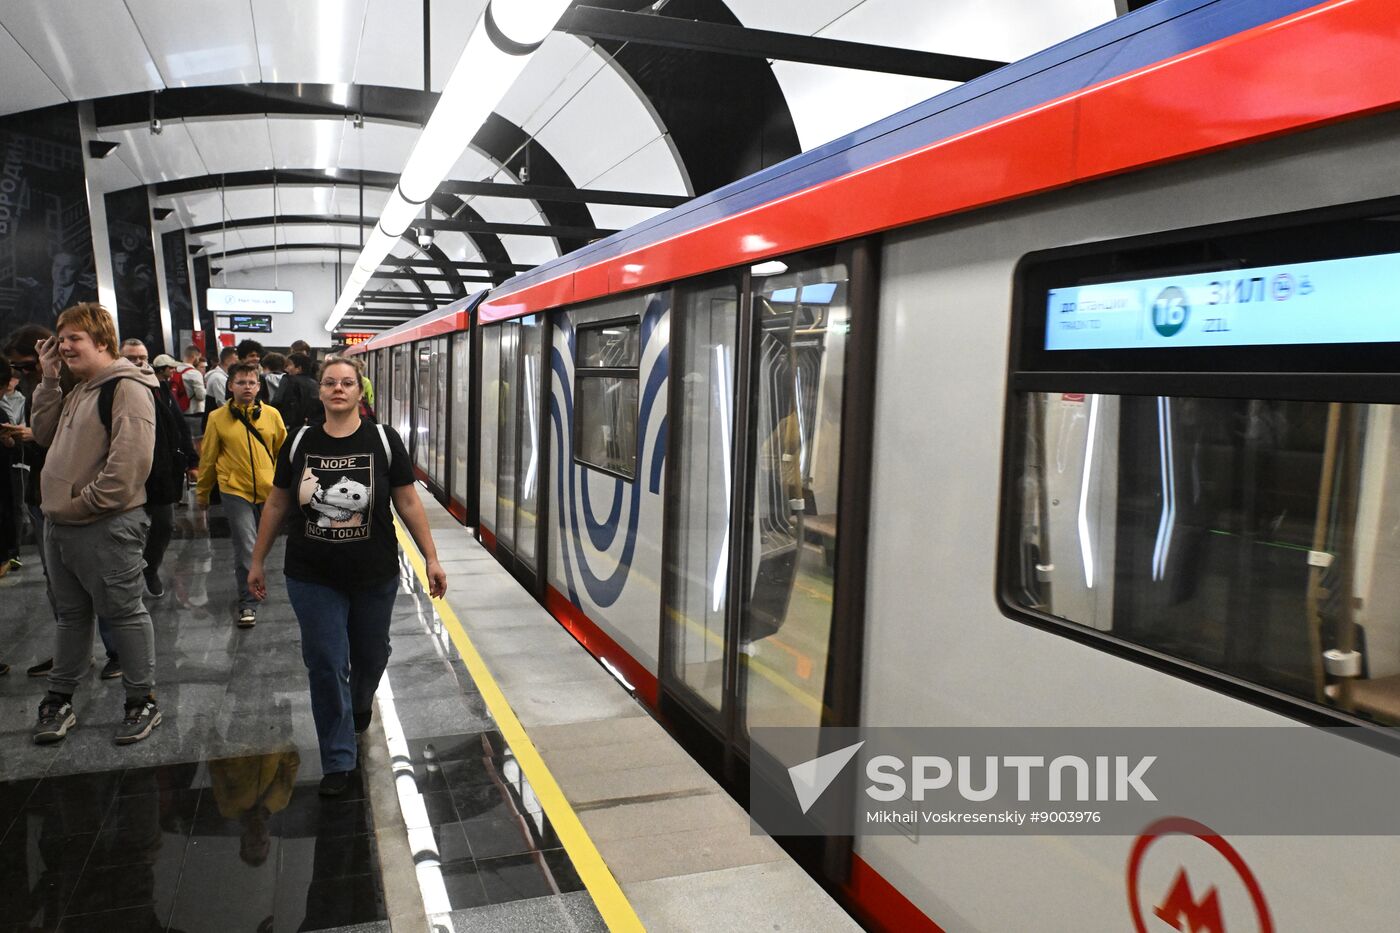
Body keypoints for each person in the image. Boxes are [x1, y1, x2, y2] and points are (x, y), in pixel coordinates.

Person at [247, 356, 446, 797]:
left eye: (347, 383)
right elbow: (278, 504)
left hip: (374, 573)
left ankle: (359, 704)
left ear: (360, 393)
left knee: (371, 654)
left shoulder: (383, 440)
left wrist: (431, 558)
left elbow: (408, 503)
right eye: (331, 382)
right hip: (311, 574)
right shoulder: (300, 442)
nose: (338, 389)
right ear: (320, 392)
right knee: (326, 663)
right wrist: (257, 560)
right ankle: (338, 759)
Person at [29, 302, 162, 745]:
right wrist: (48, 379)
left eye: (74, 339)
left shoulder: (126, 388)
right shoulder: (82, 387)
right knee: (70, 616)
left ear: (102, 342)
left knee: (124, 613)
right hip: (61, 525)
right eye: (60, 339)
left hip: (105, 525)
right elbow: (44, 434)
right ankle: (60, 698)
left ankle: (140, 701)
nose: (64, 346)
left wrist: (77, 505)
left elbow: (127, 471)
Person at [196, 361, 286, 627]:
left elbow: (283, 453)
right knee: (245, 546)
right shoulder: (217, 418)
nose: (247, 387)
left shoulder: (272, 415)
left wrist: (286, 488)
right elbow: (209, 457)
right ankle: (247, 603)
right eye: (241, 382)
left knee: (262, 546)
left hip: (268, 491)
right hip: (234, 490)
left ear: (259, 387)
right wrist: (202, 494)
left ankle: (254, 580)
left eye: (251, 383)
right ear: (230, 386)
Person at [146, 354, 200, 596]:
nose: (137, 362)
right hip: (128, 473)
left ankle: (149, 567)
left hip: (161, 470)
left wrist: (191, 460)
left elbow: (178, 425)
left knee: (164, 524)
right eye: (131, 358)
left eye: (141, 358)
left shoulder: (163, 390)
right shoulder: (114, 391)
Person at [272, 352, 323, 431]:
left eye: (289, 365)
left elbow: (277, 401)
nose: (286, 369)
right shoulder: (315, 383)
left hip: (289, 425)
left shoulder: (287, 379)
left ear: (299, 368)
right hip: (311, 426)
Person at [175, 345, 207, 444]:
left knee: (184, 441)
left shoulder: (175, 370)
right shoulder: (194, 373)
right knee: (198, 441)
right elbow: (200, 396)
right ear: (194, 357)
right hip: (195, 412)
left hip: (179, 411)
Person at [235, 339, 271, 403]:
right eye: (252, 356)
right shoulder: (233, 377)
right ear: (242, 358)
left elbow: (266, 399)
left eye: (258, 356)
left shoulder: (261, 378)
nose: (256, 359)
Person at [205, 346, 237, 410]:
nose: (237, 365)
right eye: (235, 361)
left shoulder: (220, 376)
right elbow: (223, 404)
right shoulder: (219, 378)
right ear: (227, 361)